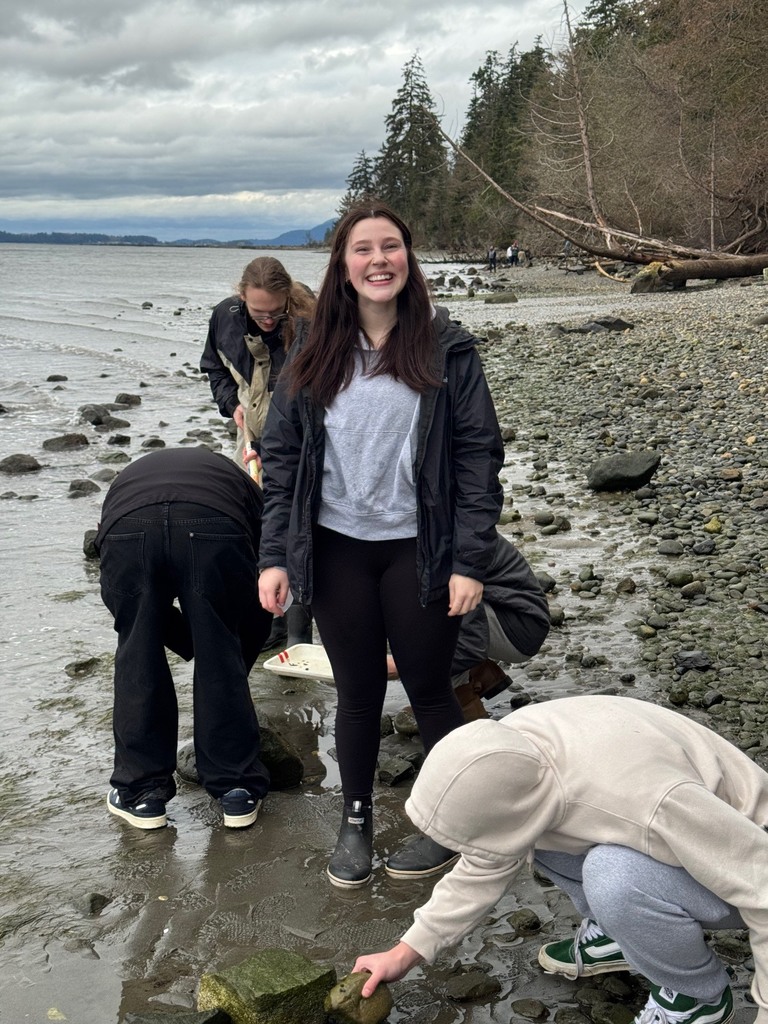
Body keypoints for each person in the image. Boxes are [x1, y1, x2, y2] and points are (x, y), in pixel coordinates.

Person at [257, 200, 504, 888]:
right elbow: (281, 461)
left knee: (429, 688)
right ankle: (356, 819)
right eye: (361, 249)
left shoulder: (445, 347)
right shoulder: (311, 354)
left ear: (408, 259)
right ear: (342, 265)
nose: (377, 260)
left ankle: (456, 825)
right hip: (337, 549)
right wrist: (274, 555)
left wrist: (468, 561)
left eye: (389, 246)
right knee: (359, 693)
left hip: (416, 549)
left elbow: (478, 457)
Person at [352, 695, 768, 1024]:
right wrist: (406, 952)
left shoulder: (650, 800)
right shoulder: (509, 750)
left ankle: (698, 997)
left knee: (614, 875)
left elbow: (762, 887)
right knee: (541, 839)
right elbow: (489, 857)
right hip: (675, 840)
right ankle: (622, 934)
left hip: (742, 850)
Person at [95, 446, 274, 830]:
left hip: (127, 528)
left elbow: (120, 607)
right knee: (220, 650)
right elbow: (263, 591)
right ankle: (236, 789)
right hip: (214, 523)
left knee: (137, 652)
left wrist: (167, 632)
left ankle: (142, 794)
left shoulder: (129, 476)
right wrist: (215, 648)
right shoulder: (239, 483)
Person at [200, 255, 316, 650]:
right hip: (249, 435)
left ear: (287, 298)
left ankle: (300, 633)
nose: (268, 319)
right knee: (257, 525)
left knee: (298, 528)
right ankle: (271, 621)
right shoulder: (224, 318)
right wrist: (230, 402)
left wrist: (286, 448)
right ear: (242, 297)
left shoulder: (307, 321)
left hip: (300, 438)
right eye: (259, 311)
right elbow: (213, 366)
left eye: (275, 311)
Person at [387, 530, 551, 722]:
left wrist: (402, 667)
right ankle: (478, 675)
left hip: (520, 626)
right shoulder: (419, 534)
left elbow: (468, 644)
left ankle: (464, 707)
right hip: (501, 611)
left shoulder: (438, 547)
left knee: (429, 618)